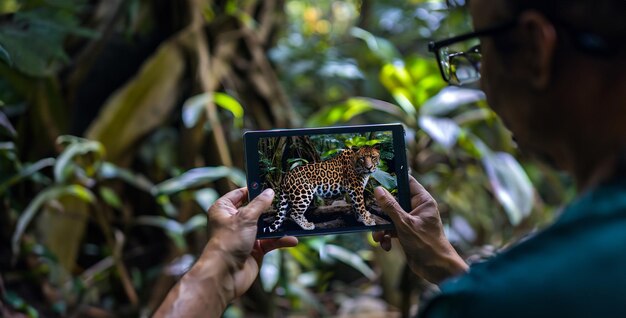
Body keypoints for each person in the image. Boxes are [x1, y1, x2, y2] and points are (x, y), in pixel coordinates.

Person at [155, 0, 626, 316]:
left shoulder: (499, 298)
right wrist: (445, 264)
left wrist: (212, 275)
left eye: (480, 51)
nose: (480, 82)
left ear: (533, 52)